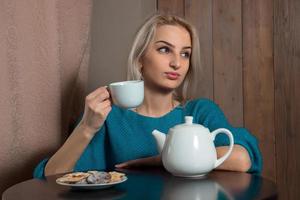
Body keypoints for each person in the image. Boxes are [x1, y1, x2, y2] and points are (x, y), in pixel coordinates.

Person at [34, 14, 262, 179]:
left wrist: (160, 160)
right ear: (140, 59)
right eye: (165, 49)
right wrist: (86, 127)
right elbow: (51, 177)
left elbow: (241, 159)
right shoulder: (110, 118)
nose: (177, 62)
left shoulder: (199, 111)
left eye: (185, 54)